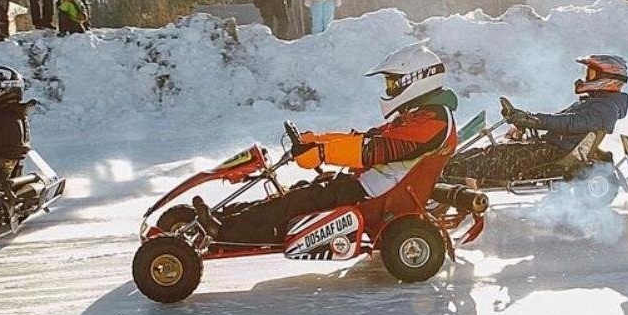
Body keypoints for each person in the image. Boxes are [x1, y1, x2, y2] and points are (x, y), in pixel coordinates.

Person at [194, 42, 457, 244]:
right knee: (298, 191)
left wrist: (322, 152)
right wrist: (318, 140)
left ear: (415, 80)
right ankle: (225, 217)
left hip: (376, 197)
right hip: (369, 187)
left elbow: (373, 150)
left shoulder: (433, 121)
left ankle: (225, 232)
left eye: (393, 84)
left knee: (299, 201)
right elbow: (368, 137)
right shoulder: (420, 115)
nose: (389, 90)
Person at [443, 56, 628, 186]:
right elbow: (562, 120)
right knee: (486, 152)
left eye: (590, 74)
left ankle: (443, 183)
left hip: (551, 155)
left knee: (488, 160)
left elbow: (570, 123)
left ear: (607, 79)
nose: (584, 77)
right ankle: (443, 171)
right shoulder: (598, 102)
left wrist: (534, 120)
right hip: (548, 149)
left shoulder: (605, 108)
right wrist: (527, 122)